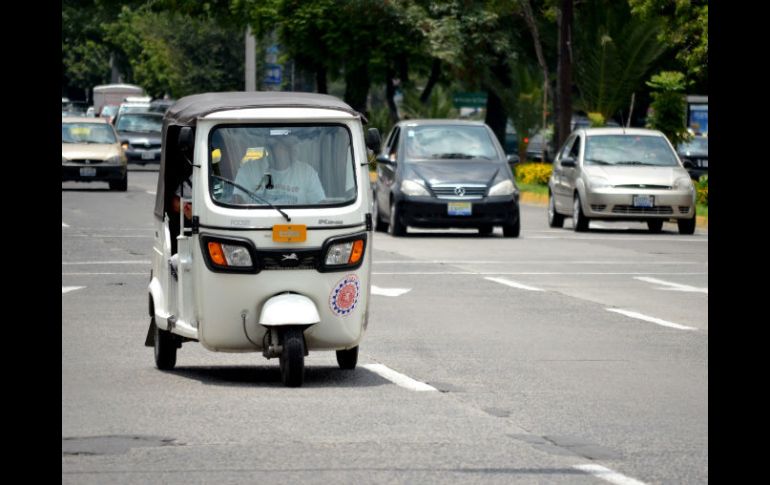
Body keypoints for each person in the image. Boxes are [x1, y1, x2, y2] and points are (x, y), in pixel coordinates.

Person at [233, 135, 325, 205]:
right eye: (287, 146)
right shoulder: (249, 169)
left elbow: (320, 203)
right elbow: (238, 199)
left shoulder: (307, 173)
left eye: (295, 144)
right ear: (272, 148)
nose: (293, 149)